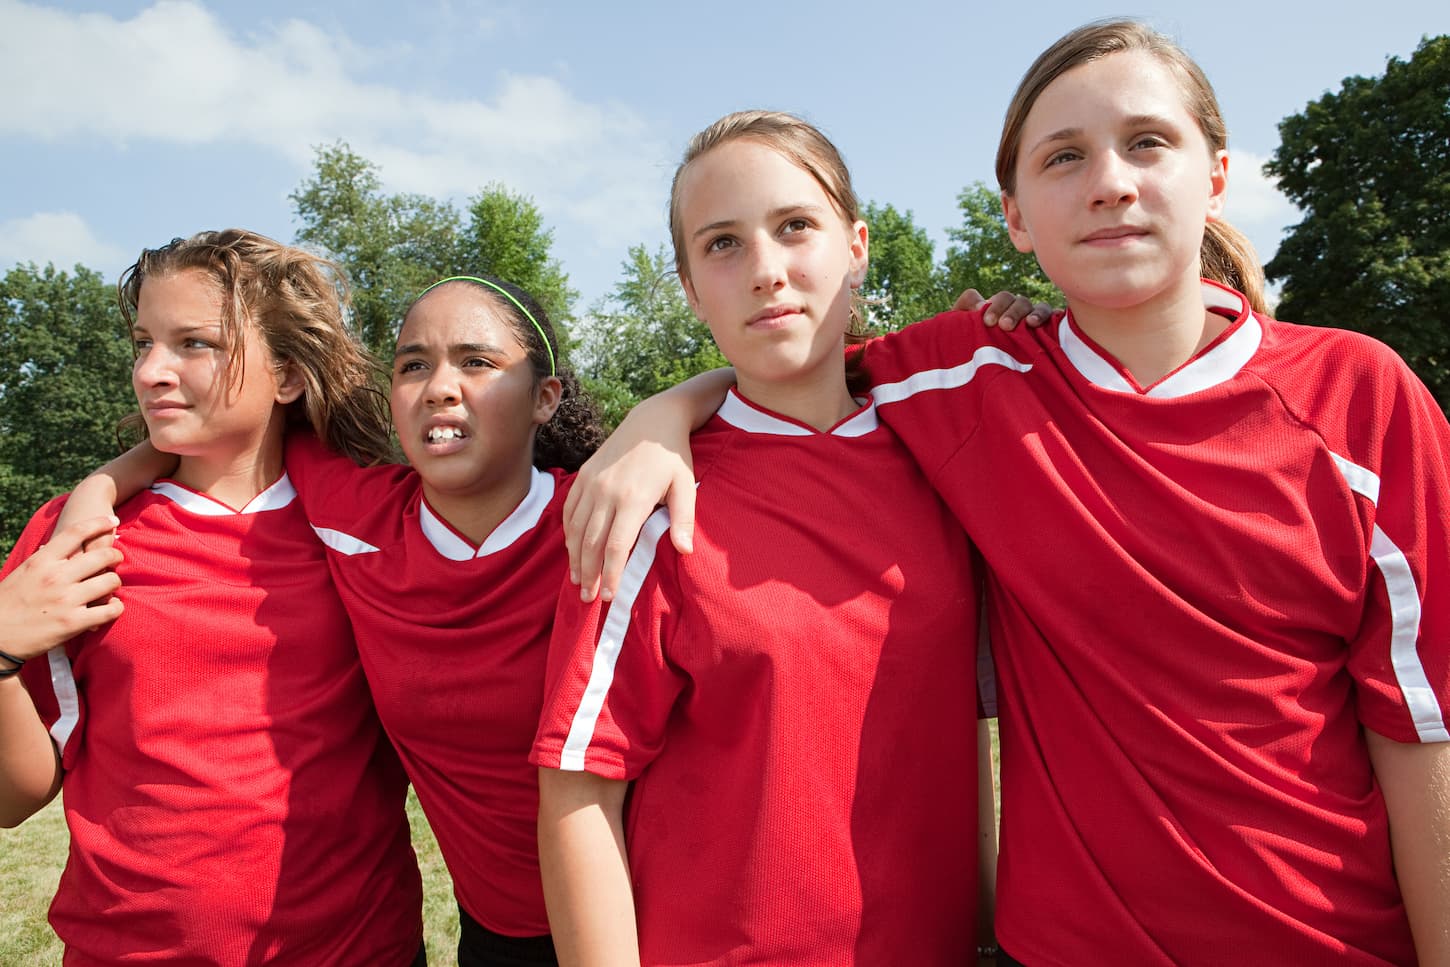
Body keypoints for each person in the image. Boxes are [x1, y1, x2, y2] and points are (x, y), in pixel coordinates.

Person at [557, 21, 1450, 967]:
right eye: (1063, 156)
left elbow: (1423, 728)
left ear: (1218, 173)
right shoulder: (965, 380)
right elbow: (797, 360)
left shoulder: (1360, 396)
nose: (1110, 181)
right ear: (1016, 216)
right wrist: (658, 416)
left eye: (1147, 141)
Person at [530, 110, 990, 966]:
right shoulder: (654, 498)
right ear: (688, 284)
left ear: (857, 245)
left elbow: (957, 727)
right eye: (722, 245)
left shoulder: (944, 457)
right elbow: (579, 788)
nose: (767, 272)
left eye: (794, 227)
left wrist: (986, 927)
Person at [0, 229, 424, 965]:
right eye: (142, 343)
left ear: (288, 374)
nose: (151, 371)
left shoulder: (369, 524)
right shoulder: (78, 536)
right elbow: (13, 800)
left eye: (195, 343)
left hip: (358, 949)